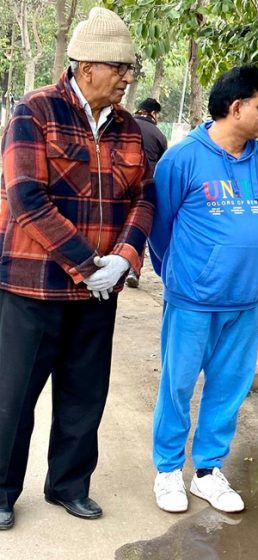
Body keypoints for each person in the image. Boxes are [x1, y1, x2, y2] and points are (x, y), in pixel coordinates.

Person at [0, 7, 153, 530]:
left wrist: (124, 260)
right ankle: (1, 490)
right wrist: (88, 264)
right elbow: (26, 199)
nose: (128, 78)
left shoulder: (130, 129)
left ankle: (68, 485)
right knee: (14, 397)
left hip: (97, 293)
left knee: (85, 394)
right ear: (87, 67)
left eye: (131, 69)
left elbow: (144, 200)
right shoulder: (35, 111)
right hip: (33, 287)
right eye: (120, 68)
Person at [147, 65, 258, 514]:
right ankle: (167, 469)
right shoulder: (182, 158)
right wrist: (183, 278)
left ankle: (206, 471)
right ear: (235, 108)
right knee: (178, 385)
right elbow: (159, 229)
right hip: (193, 301)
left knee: (228, 388)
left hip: (246, 300)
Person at [127, 97, 168, 289]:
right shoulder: (158, 135)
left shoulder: (123, 124)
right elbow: (162, 166)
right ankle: (133, 269)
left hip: (119, 185)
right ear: (154, 113)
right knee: (138, 228)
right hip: (144, 189)